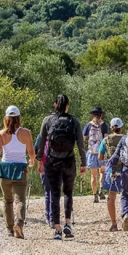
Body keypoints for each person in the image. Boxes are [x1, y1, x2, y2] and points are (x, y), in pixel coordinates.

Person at [36, 94, 86, 241]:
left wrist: (40, 160)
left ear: (55, 105)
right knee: (68, 193)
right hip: (69, 160)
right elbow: (80, 144)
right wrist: (83, 162)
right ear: (68, 105)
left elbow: (40, 143)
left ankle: (57, 228)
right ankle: (68, 223)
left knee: (55, 194)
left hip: (52, 161)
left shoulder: (47, 120)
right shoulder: (74, 121)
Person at [0, 106, 36, 239]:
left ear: (6, 118)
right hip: (20, 168)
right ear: (19, 118)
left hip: (5, 168)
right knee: (20, 199)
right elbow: (31, 150)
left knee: (7, 200)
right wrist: (32, 161)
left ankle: (9, 229)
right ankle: (19, 224)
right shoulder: (26, 133)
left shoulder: (1, 134)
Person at [98, 118, 125, 231]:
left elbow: (100, 157)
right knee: (125, 197)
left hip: (111, 171)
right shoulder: (126, 138)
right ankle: (126, 219)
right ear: (121, 127)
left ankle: (114, 224)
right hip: (125, 170)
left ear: (111, 128)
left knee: (111, 198)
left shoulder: (106, 140)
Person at [83, 106, 109, 203]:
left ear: (93, 115)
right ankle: (101, 189)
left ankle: (94, 195)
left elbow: (83, 138)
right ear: (101, 115)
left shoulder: (88, 125)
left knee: (93, 176)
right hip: (101, 152)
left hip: (92, 153)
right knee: (102, 172)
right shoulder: (104, 125)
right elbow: (106, 139)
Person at [33, 133, 53, 228]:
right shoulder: (60, 134)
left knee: (49, 191)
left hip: (47, 165)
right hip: (55, 166)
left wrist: (38, 162)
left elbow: (35, 151)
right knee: (52, 191)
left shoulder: (41, 135)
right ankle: (52, 217)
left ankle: (49, 217)